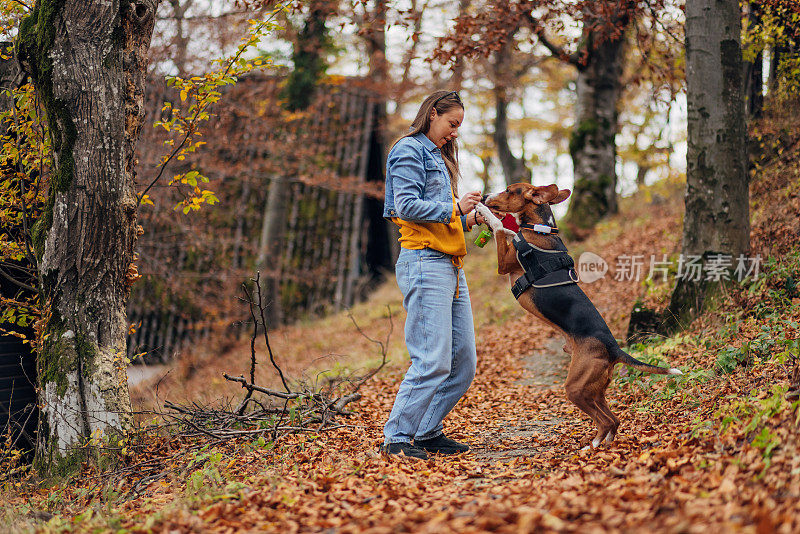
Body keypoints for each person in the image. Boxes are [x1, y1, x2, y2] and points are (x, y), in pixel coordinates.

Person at [381, 90, 485, 460]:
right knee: (433, 359)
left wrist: (471, 219)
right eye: (452, 124)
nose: (454, 132)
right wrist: (455, 207)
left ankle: (425, 432)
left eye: (459, 127)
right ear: (432, 114)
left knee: (463, 362)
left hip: (451, 265)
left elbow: (441, 215)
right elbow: (404, 205)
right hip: (424, 262)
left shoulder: (439, 157)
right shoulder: (408, 150)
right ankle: (397, 437)